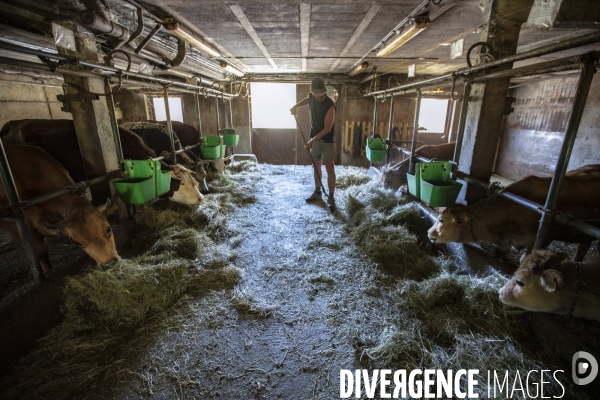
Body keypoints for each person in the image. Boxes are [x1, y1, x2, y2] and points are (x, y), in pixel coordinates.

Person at [290, 77, 336, 210]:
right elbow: (308, 99)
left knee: (330, 168)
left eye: (321, 92)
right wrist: (296, 106)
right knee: (316, 166)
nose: (319, 95)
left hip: (327, 140)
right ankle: (317, 192)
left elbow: (327, 129)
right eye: (316, 92)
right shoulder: (312, 97)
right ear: (312, 91)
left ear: (324, 91)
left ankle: (331, 196)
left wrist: (311, 141)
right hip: (314, 138)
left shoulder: (330, 105)